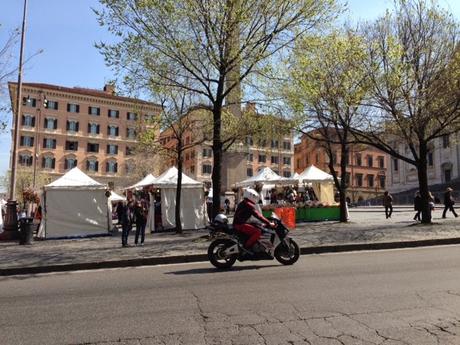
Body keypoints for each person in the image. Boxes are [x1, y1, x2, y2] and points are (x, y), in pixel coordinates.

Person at [233, 188, 275, 253]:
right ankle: (246, 248)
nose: (255, 198)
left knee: (257, 227)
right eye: (254, 196)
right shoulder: (248, 204)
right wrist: (269, 223)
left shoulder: (244, 202)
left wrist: (260, 222)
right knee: (257, 232)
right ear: (250, 196)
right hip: (240, 224)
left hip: (239, 223)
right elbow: (258, 215)